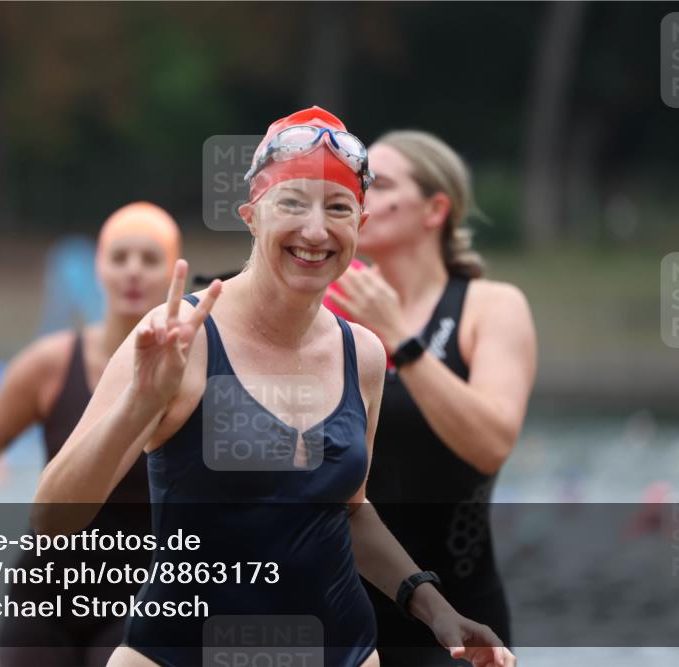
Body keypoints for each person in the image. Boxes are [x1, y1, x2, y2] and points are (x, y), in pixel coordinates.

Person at [33, 107, 517, 667]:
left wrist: (436, 610)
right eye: (291, 204)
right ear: (251, 216)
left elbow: (350, 510)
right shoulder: (178, 339)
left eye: (338, 208)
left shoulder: (360, 352)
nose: (315, 231)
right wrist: (140, 401)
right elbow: (50, 519)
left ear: (359, 224)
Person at [0, 201, 182, 666]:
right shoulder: (48, 364)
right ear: (99, 268)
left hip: (141, 595)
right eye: (119, 257)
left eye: (149, 260)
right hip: (44, 594)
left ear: (174, 272)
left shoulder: (191, 371)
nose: (132, 271)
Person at [324, 130, 537, 664]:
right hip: (337, 608)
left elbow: (490, 444)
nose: (361, 197)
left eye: (381, 184)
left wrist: (402, 340)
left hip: (460, 614)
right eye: (360, 183)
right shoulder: (325, 311)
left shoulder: (491, 307)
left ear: (435, 208)